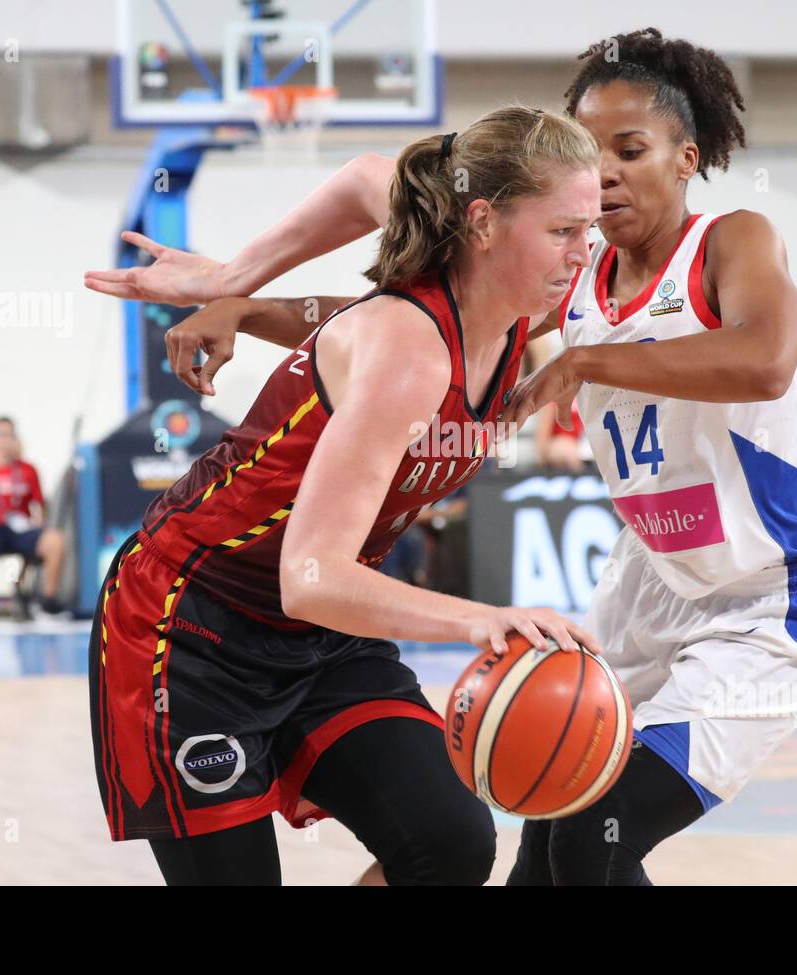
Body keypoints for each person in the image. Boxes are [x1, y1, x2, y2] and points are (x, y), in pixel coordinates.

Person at [95, 28, 797, 886]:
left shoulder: (702, 245)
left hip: (768, 595)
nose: (605, 174)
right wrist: (237, 297)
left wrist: (581, 359)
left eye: (629, 150)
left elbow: (764, 360)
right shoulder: (548, 279)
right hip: (209, 621)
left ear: (688, 158)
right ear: (491, 219)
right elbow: (374, 296)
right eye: (589, 151)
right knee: (552, 824)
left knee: (560, 834)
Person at [84, 107, 602, 885]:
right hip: (190, 626)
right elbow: (311, 572)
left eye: (590, 226)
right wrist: (480, 617)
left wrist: (241, 293)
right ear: (486, 223)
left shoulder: (522, 299)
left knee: (452, 840)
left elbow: (368, 178)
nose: (586, 250)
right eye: (565, 230)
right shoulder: (412, 351)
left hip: (322, 636)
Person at [0, 416, 67, 618]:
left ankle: (48, 601)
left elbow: (40, 505)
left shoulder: (27, 469)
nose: (5, 440)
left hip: (20, 530)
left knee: (54, 540)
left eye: (9, 435)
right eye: (1, 435)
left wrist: (39, 522)